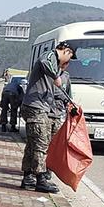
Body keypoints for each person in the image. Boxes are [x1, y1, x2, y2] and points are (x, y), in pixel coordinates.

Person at [20, 41, 75, 193]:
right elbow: (44, 62)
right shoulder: (49, 56)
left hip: (40, 107)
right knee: (42, 144)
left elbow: (61, 93)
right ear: (66, 51)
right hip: (35, 107)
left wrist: (69, 103)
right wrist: (55, 75)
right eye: (69, 57)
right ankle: (41, 179)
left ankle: (28, 177)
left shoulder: (58, 69)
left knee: (33, 143)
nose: (66, 63)